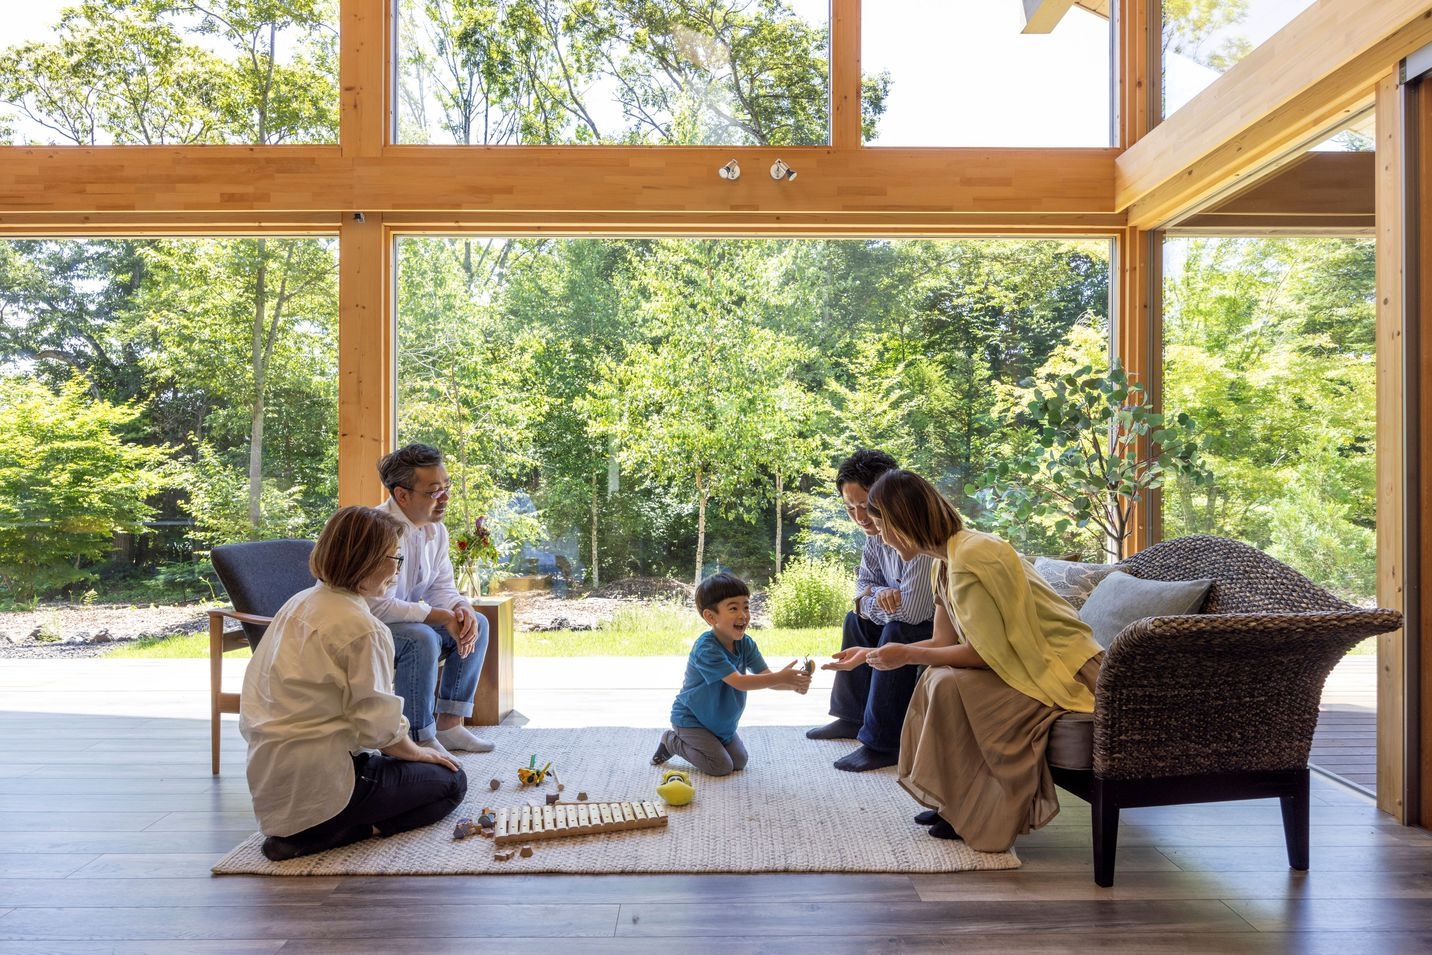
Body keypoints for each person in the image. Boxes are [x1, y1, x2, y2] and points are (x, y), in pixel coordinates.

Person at [862, 469, 1103, 852]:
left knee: (945, 681)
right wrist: (873, 654)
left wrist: (906, 653)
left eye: (882, 525)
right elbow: (944, 641)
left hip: (1062, 665)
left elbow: (981, 653)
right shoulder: (944, 563)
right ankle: (953, 803)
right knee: (936, 675)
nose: (882, 537)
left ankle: (976, 810)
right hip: (1021, 660)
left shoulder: (973, 557)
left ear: (905, 520)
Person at [240, 506, 468, 862]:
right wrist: (423, 753)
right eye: (395, 557)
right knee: (452, 782)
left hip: (270, 779)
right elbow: (380, 731)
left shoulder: (298, 604)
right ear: (367, 563)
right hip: (328, 783)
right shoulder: (364, 627)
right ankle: (343, 831)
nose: (397, 568)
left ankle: (308, 828)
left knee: (418, 768)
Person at [808, 449, 936, 772]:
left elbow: (911, 613)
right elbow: (861, 590)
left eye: (864, 506)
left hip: (932, 627)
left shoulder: (914, 534)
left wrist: (872, 601)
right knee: (855, 621)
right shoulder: (874, 537)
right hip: (902, 617)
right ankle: (850, 717)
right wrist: (877, 597)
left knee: (895, 631)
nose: (859, 516)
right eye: (849, 507)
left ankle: (883, 742)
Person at [369, 443, 493, 760]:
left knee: (476, 622)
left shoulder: (435, 531)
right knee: (421, 637)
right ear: (403, 495)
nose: (445, 498)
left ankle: (449, 726)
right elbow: (376, 606)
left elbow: (441, 587)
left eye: (446, 488)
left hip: (400, 622)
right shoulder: (378, 529)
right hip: (365, 628)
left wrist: (459, 608)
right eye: (434, 491)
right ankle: (418, 737)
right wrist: (439, 616)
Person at [651, 572, 812, 776]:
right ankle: (671, 741)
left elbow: (766, 676)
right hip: (692, 720)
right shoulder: (706, 648)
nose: (743, 615)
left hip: (720, 723)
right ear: (710, 616)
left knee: (739, 761)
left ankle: (712, 741)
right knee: (720, 766)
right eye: (733, 608)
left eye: (746, 606)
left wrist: (792, 684)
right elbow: (739, 682)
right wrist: (781, 677)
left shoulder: (746, 643)